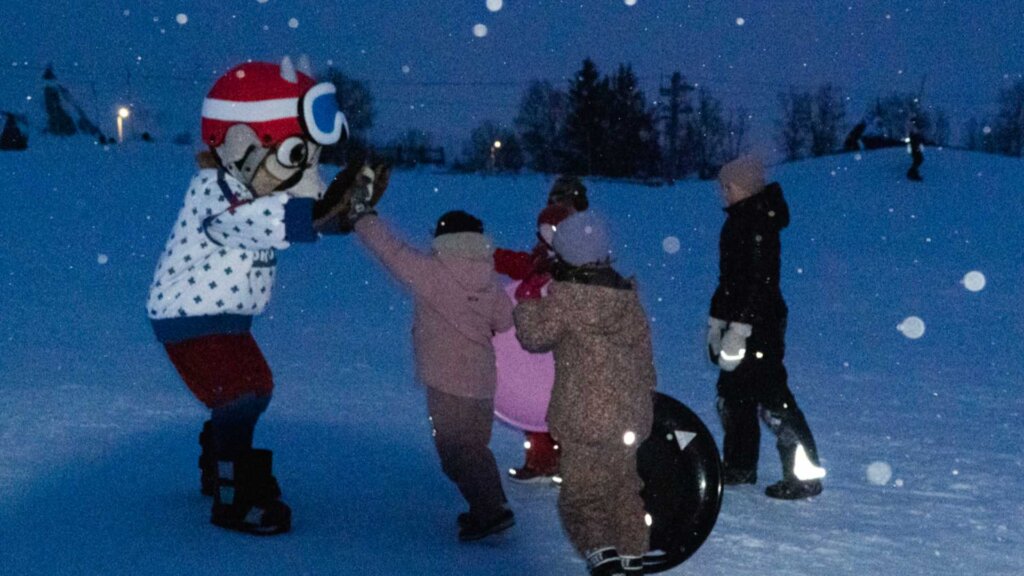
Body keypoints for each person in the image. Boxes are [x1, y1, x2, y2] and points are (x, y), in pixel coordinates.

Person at [146, 59, 354, 535]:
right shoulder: (215, 189)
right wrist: (318, 217)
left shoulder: (253, 189)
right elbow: (247, 222)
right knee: (243, 392)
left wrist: (340, 214)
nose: (305, 173)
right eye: (293, 155)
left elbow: (300, 209)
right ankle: (232, 493)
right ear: (240, 143)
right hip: (189, 316)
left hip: (226, 319)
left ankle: (219, 455)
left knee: (247, 389)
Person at [346, 195, 517, 541]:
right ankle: (488, 506)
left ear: (441, 239)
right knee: (474, 448)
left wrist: (363, 219)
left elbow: (391, 252)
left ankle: (492, 511)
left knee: (455, 453)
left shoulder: (433, 273)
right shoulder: (489, 278)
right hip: (482, 382)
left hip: (447, 381)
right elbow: (504, 320)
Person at [514, 210, 655, 576]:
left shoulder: (566, 299)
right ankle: (632, 554)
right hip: (629, 414)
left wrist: (529, 302)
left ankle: (602, 554)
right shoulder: (627, 297)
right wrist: (644, 401)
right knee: (624, 486)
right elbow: (644, 356)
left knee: (582, 493)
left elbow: (534, 337)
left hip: (584, 415)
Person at [706, 155, 826, 500]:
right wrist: (717, 322)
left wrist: (741, 328)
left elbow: (760, 283)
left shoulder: (757, 223)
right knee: (733, 392)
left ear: (743, 187)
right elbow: (728, 281)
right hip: (742, 319)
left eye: (727, 186)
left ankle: (804, 475)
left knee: (772, 396)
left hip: (761, 323)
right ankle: (740, 464)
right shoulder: (738, 221)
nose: (723, 193)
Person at [492, 175, 589, 484]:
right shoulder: (544, 251)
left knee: (563, 397)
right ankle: (543, 460)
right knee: (536, 393)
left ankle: (567, 461)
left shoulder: (581, 252)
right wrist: (492, 257)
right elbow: (525, 266)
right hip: (543, 339)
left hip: (568, 339)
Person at [907, 115, 925, 181]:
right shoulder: (912, 127)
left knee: (918, 160)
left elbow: (915, 137)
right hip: (914, 148)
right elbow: (913, 137)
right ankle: (912, 173)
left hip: (915, 147)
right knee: (918, 159)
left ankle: (913, 173)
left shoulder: (913, 128)